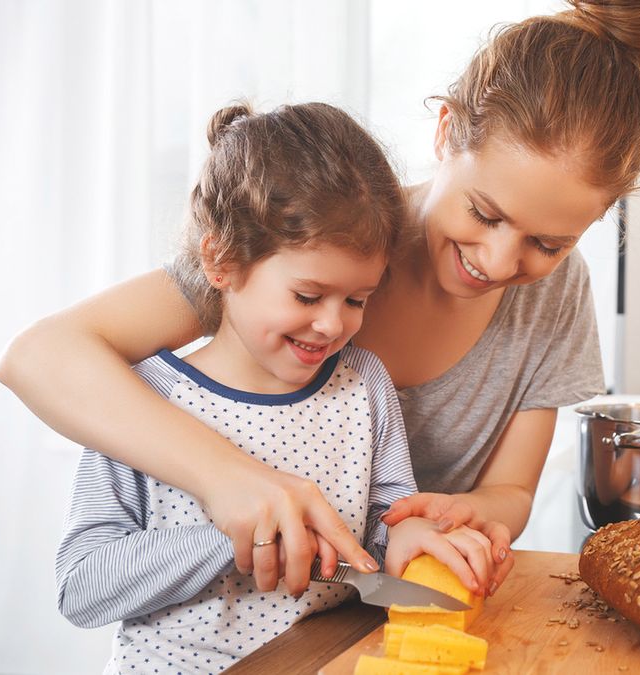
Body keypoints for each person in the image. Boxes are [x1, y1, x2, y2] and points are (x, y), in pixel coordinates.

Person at [0, 0, 640, 599]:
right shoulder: (320, 244)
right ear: (445, 134)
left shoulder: (557, 298)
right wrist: (230, 480)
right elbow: (39, 357)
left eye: (548, 243)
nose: (500, 262)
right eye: (485, 212)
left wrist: (451, 521)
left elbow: (513, 490)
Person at [54, 102, 495, 674]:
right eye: (308, 297)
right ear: (221, 261)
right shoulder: (140, 400)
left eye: (357, 300)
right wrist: (226, 540)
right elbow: (82, 586)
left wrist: (408, 537)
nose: (334, 324)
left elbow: (382, 532)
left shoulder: (365, 384)